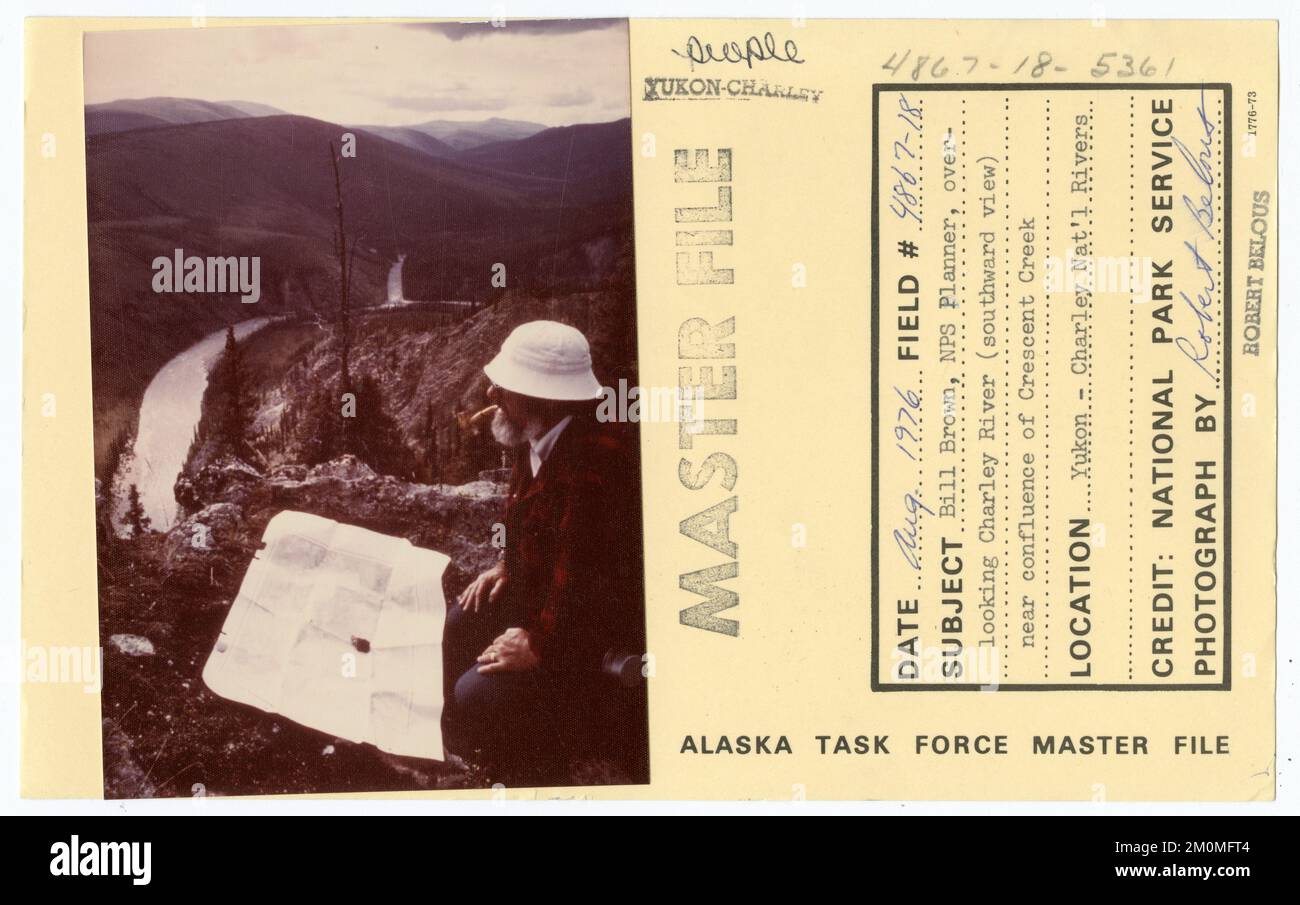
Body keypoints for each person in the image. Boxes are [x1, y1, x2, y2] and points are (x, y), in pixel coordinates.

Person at [441, 320, 644, 777]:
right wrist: (505, 565)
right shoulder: (534, 435)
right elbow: (530, 525)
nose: (491, 395)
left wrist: (537, 645)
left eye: (504, 388)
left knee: (479, 693)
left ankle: (528, 764)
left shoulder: (595, 471)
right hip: (551, 605)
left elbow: (588, 589)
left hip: (586, 644)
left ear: (545, 399)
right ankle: (460, 747)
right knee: (462, 619)